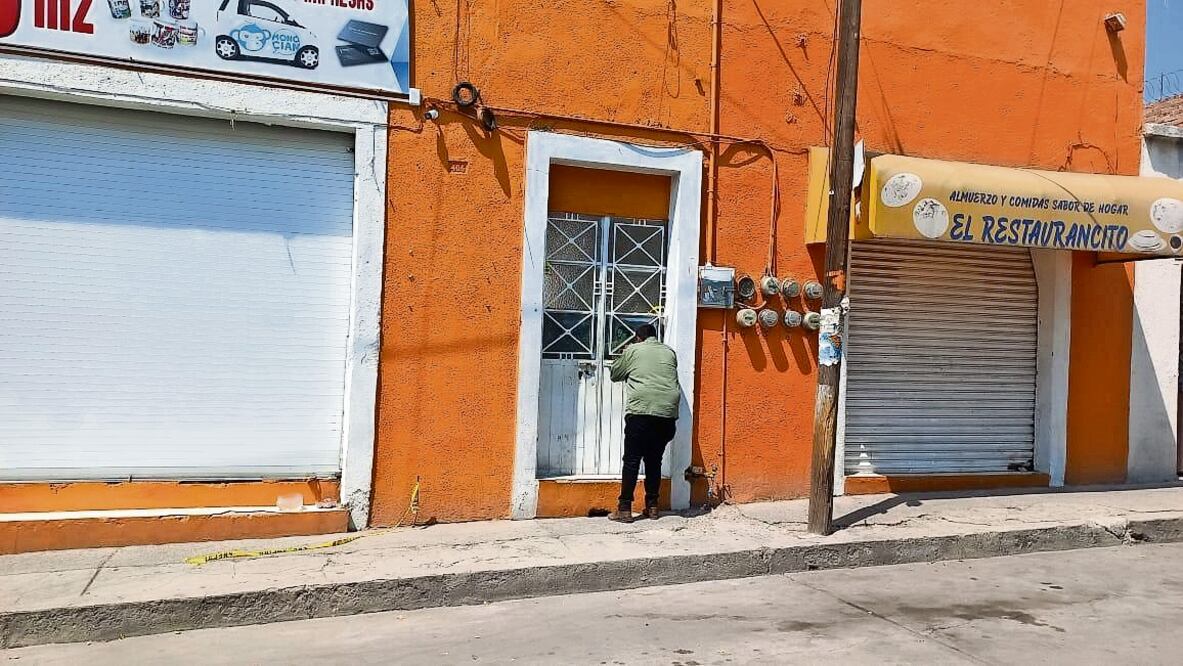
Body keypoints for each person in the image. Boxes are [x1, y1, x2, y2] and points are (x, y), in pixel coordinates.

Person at [607, 323, 680, 523]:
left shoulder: (633, 349)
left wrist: (624, 354)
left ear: (638, 337)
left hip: (641, 412)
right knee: (654, 460)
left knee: (632, 460)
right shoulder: (669, 352)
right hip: (666, 415)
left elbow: (615, 374)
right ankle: (653, 506)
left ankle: (624, 509)